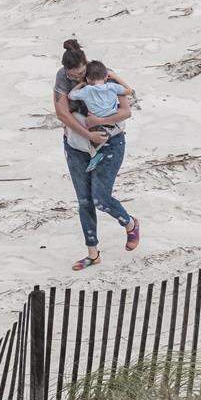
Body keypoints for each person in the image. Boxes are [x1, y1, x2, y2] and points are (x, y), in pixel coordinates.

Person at [53, 39, 140, 271]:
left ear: (86, 65)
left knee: (101, 199)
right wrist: (86, 133)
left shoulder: (102, 75)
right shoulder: (63, 79)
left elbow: (126, 110)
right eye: (72, 75)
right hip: (76, 145)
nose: (76, 78)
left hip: (110, 144)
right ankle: (93, 253)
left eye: (80, 73)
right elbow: (62, 112)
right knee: (84, 201)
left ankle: (130, 223)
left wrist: (99, 122)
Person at [67, 60, 127, 172]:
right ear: (105, 77)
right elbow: (130, 91)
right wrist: (115, 76)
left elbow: (70, 96)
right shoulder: (113, 86)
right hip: (113, 125)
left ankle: (92, 153)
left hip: (95, 125)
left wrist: (81, 84)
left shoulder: (87, 89)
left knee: (73, 117)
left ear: (88, 79)